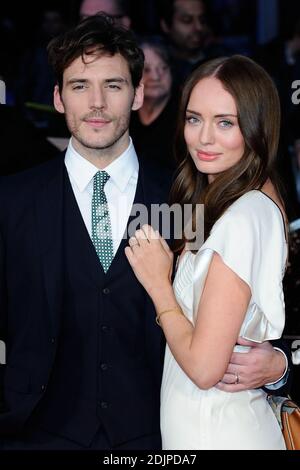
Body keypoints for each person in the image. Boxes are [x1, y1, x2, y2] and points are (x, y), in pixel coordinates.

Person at [0, 15, 290, 450]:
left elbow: (243, 303)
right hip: (36, 435)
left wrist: (280, 364)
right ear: (58, 98)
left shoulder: (183, 196)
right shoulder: (13, 200)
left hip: (156, 437)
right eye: (80, 86)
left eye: (113, 86)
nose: (97, 103)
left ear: (138, 94)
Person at [125, 55, 289, 449]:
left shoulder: (244, 215)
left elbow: (204, 368)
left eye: (225, 122)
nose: (204, 138)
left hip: (221, 432)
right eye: (194, 119)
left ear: (256, 127)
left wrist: (158, 285)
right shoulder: (228, 200)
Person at [130, 36, 179, 170]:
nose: (156, 77)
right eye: (146, 70)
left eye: (163, 68)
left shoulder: (183, 116)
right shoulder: (124, 112)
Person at [159, 0, 229, 87]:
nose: (199, 27)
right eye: (187, 20)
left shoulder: (222, 59)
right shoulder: (158, 64)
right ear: (165, 25)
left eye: (202, 20)